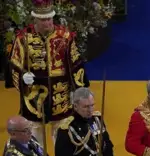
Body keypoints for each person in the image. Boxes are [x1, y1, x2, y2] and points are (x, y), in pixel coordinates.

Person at [8, 0, 90, 147]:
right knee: (33, 140)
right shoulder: (23, 38)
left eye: (49, 18)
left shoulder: (65, 37)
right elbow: (14, 63)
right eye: (43, 20)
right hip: (34, 97)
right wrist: (22, 77)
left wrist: (78, 91)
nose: (48, 23)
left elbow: (76, 63)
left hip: (61, 96)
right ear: (35, 20)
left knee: (64, 140)